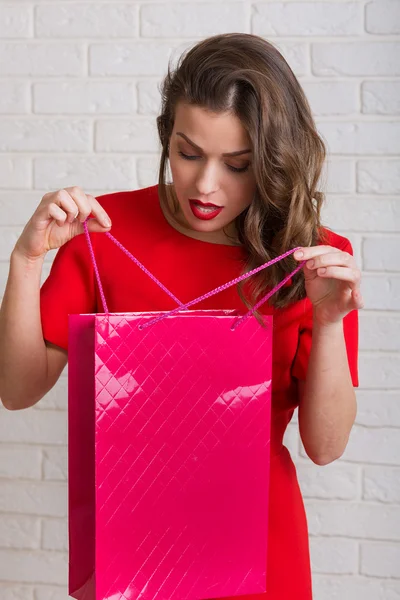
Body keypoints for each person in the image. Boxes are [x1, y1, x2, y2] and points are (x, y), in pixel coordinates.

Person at [0, 33, 361, 599]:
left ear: (270, 161)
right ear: (167, 133)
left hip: (261, 553)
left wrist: (332, 321)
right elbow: (17, 390)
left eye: (237, 165)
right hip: (130, 552)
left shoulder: (312, 261)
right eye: (188, 153)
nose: (206, 185)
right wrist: (25, 261)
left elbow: (325, 446)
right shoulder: (102, 232)